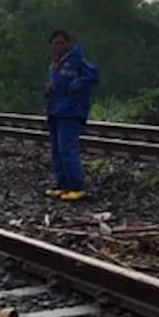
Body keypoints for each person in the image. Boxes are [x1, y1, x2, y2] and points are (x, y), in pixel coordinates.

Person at [44, 29, 100, 202]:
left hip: (70, 111)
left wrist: (76, 85)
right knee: (57, 150)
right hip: (55, 111)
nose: (58, 46)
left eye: (61, 43)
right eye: (55, 44)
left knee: (68, 149)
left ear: (68, 44)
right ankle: (62, 184)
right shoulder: (55, 64)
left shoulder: (77, 61)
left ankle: (76, 186)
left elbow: (93, 76)